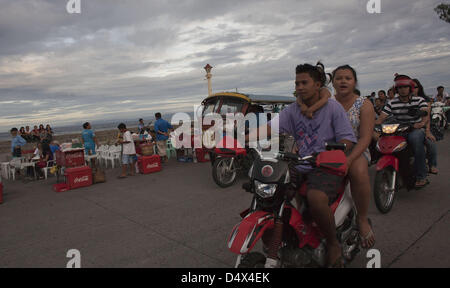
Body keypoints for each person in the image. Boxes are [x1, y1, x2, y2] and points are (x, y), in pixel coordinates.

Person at [270, 63, 356, 267]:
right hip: (301, 164)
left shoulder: (333, 107)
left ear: (317, 84)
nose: (299, 86)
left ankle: (333, 243)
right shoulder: (292, 110)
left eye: (304, 82)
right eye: (296, 83)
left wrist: (331, 150)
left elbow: (347, 139)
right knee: (273, 191)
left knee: (315, 197)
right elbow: (271, 127)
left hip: (326, 165)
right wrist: (242, 137)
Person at [332, 64, 376, 249]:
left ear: (354, 82)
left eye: (347, 78)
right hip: (330, 150)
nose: (343, 81)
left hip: (357, 150)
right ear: (333, 82)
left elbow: (366, 138)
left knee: (358, 172)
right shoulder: (327, 103)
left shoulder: (364, 104)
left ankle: (362, 218)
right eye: (339, 78)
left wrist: (349, 159)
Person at [376, 74, 429, 188]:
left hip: (415, 129)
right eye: (400, 88)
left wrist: (422, 123)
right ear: (396, 89)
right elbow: (381, 117)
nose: (403, 90)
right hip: (399, 130)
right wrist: (373, 125)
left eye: (405, 87)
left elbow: (425, 112)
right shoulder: (391, 103)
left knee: (415, 139)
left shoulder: (419, 100)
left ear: (410, 88)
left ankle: (421, 175)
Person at [413, 79, 438, 175]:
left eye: (415, 87)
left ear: (419, 88)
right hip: (409, 127)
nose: (413, 89)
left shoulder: (424, 100)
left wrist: (427, 130)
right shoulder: (404, 100)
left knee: (430, 142)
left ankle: (432, 164)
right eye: (411, 87)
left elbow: (426, 117)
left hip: (423, 126)